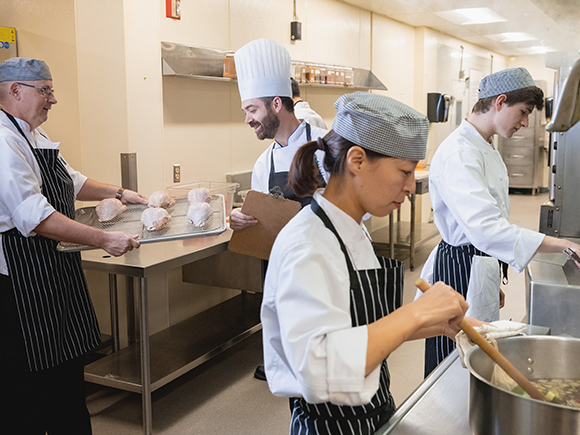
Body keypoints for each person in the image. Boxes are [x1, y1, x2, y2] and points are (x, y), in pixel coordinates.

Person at [261, 91, 469, 434]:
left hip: (374, 412)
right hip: (330, 425)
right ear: (357, 160)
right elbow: (319, 367)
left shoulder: (352, 229)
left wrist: (439, 321)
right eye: (403, 172)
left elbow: (360, 329)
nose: (409, 187)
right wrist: (414, 312)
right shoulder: (307, 246)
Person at [0, 57, 147, 434]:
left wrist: (120, 192)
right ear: (15, 91)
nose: (53, 99)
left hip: (54, 271)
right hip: (21, 284)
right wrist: (104, 238)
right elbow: (35, 217)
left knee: (65, 378)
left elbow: (73, 180)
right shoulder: (2, 142)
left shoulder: (33, 134)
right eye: (45, 91)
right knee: (27, 390)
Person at [423, 67, 580, 377]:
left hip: (479, 264)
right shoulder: (459, 152)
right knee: (454, 359)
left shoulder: (483, 144)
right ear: (500, 102)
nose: (524, 122)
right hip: (461, 267)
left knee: (478, 353)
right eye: (523, 113)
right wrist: (562, 245)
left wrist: (492, 276)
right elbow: (485, 229)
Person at [229, 38, 329, 231]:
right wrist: (239, 217)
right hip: (284, 259)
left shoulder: (327, 146)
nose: (247, 120)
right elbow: (260, 223)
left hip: (327, 256)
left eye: (252, 110)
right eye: (245, 112)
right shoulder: (263, 165)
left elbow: (357, 211)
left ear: (276, 104)